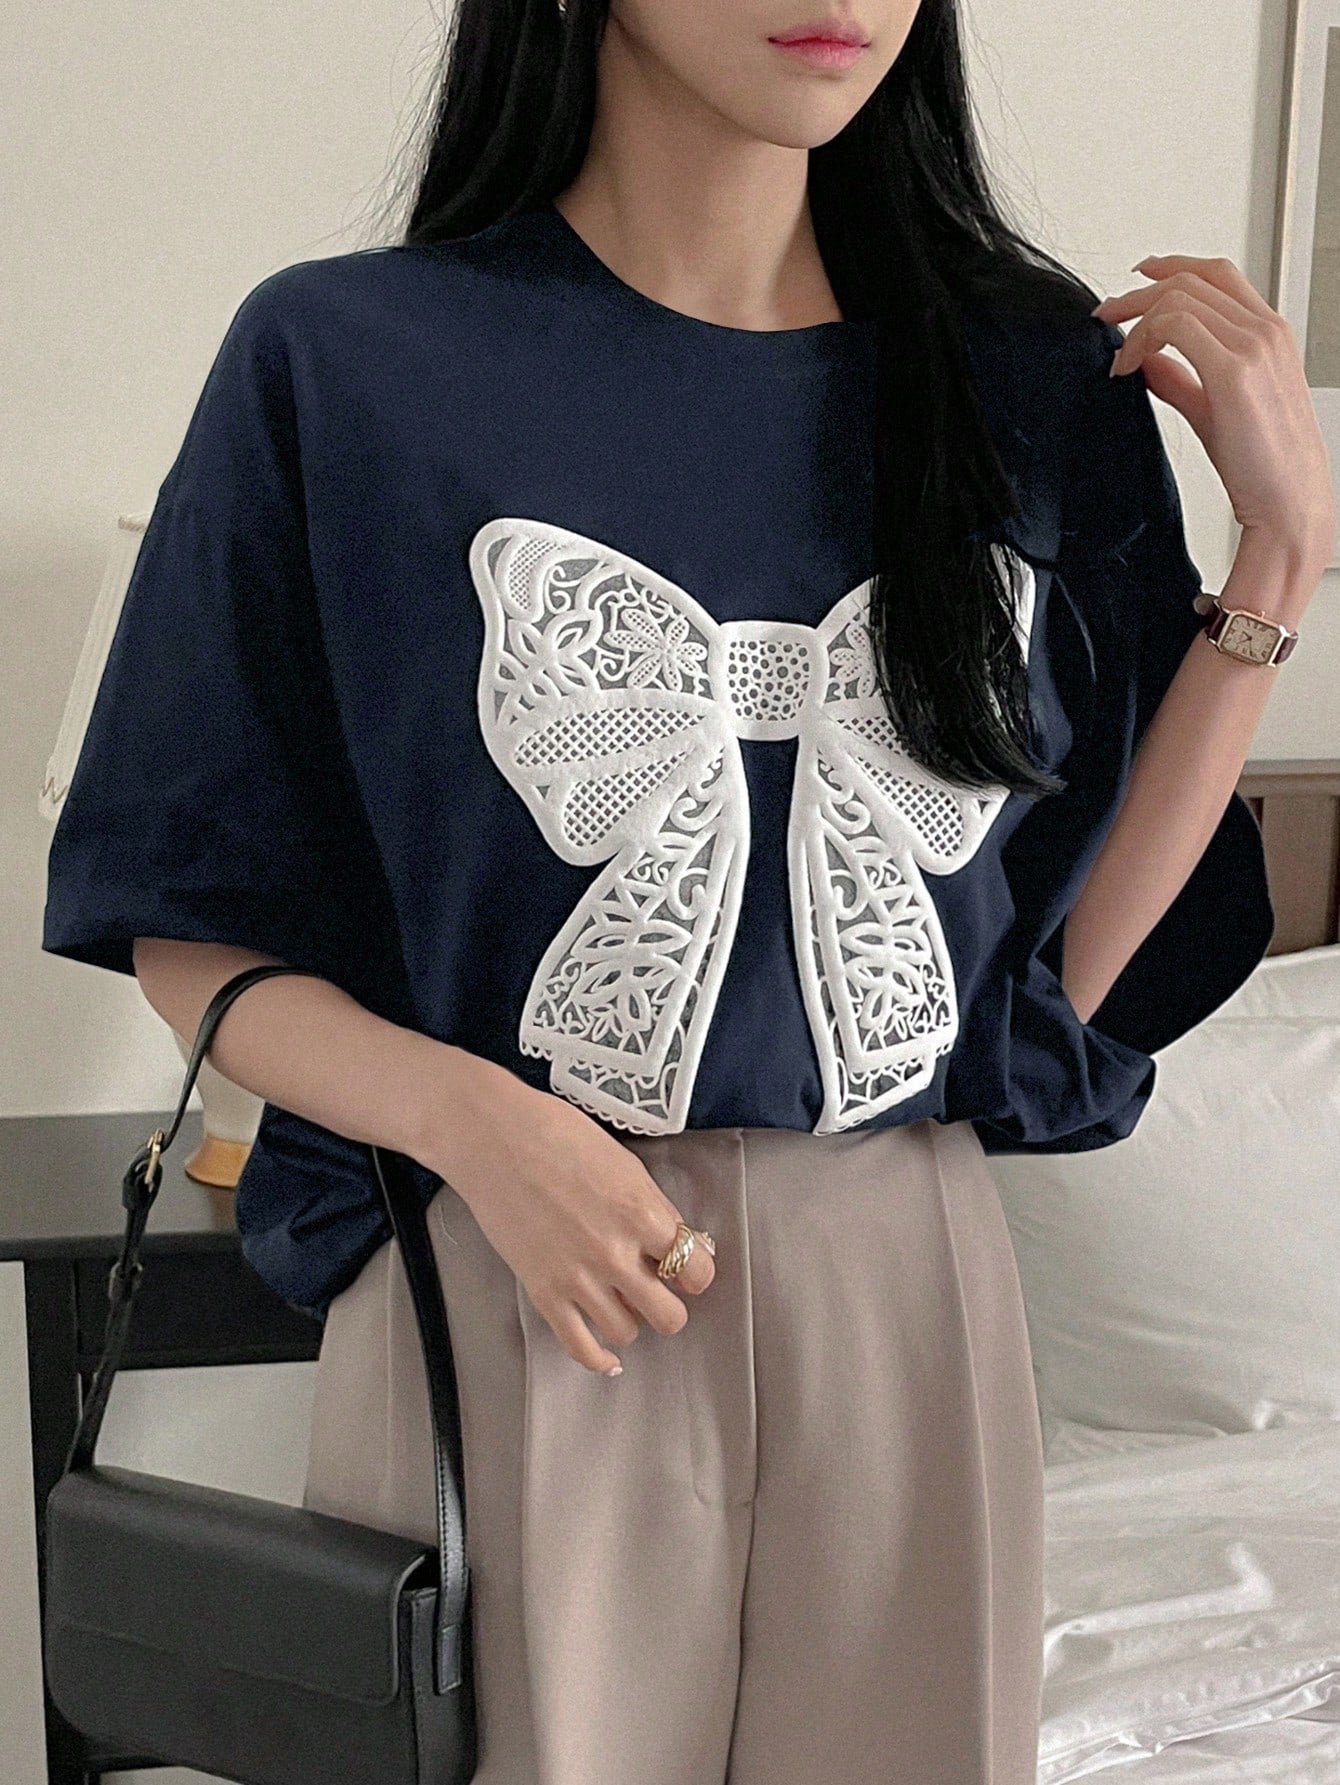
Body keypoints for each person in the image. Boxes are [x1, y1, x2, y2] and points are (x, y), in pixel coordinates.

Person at [42, 1, 1332, 1780]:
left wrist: (1279, 562)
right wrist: (478, 1128)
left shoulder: (1027, 372)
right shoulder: (347, 361)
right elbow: (192, 920)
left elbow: (1059, 978)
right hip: (511, 1264)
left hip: (907, 1287)